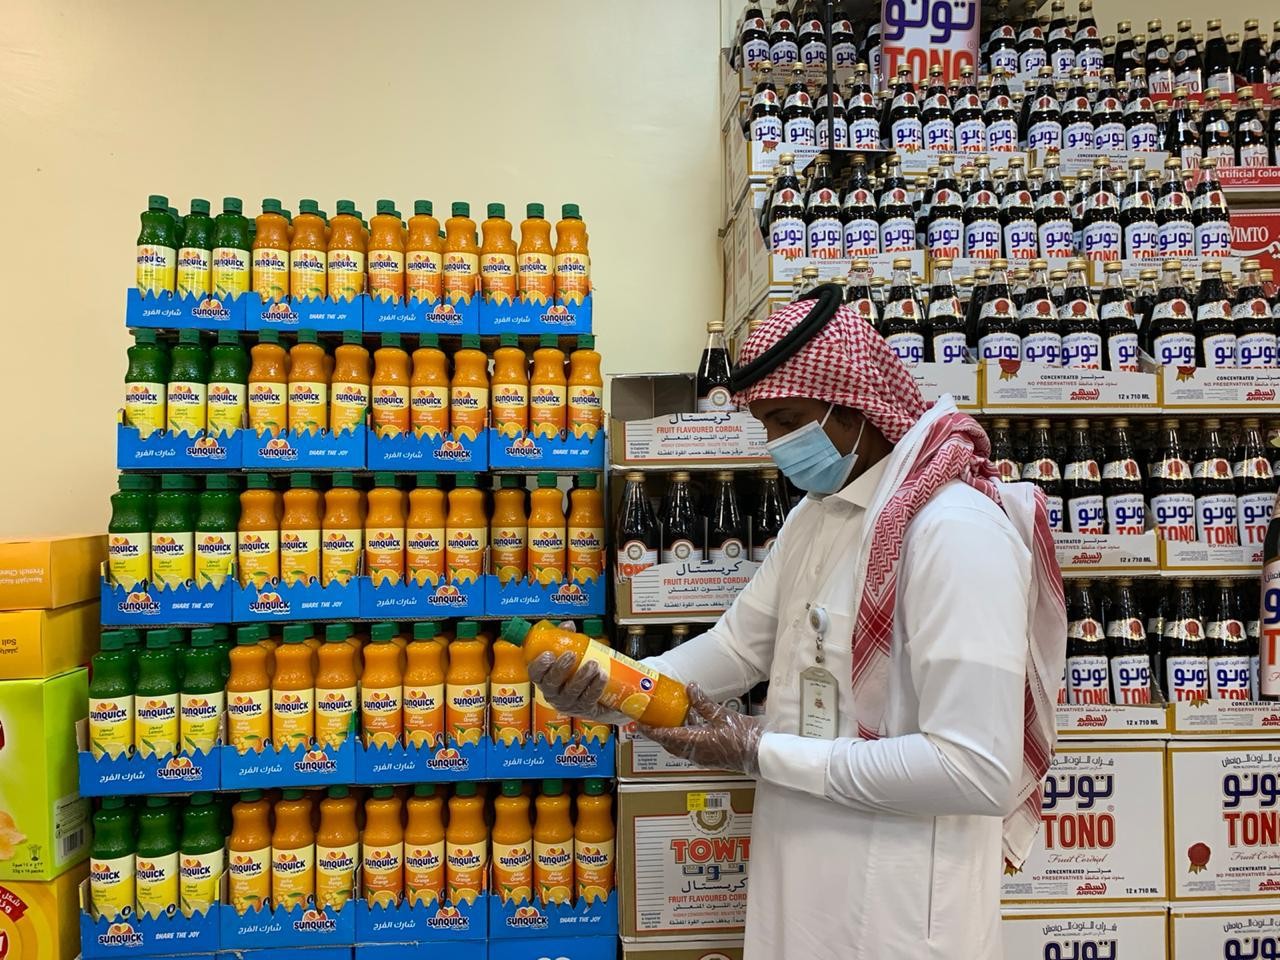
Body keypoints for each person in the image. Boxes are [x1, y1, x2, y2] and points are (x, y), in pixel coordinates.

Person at [530, 289, 1067, 960]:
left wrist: (759, 750)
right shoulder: (816, 516)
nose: (778, 445)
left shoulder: (955, 532)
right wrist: (611, 687)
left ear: (855, 405)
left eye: (788, 419)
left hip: (901, 913)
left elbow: (974, 770)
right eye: (767, 425)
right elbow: (737, 648)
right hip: (802, 887)